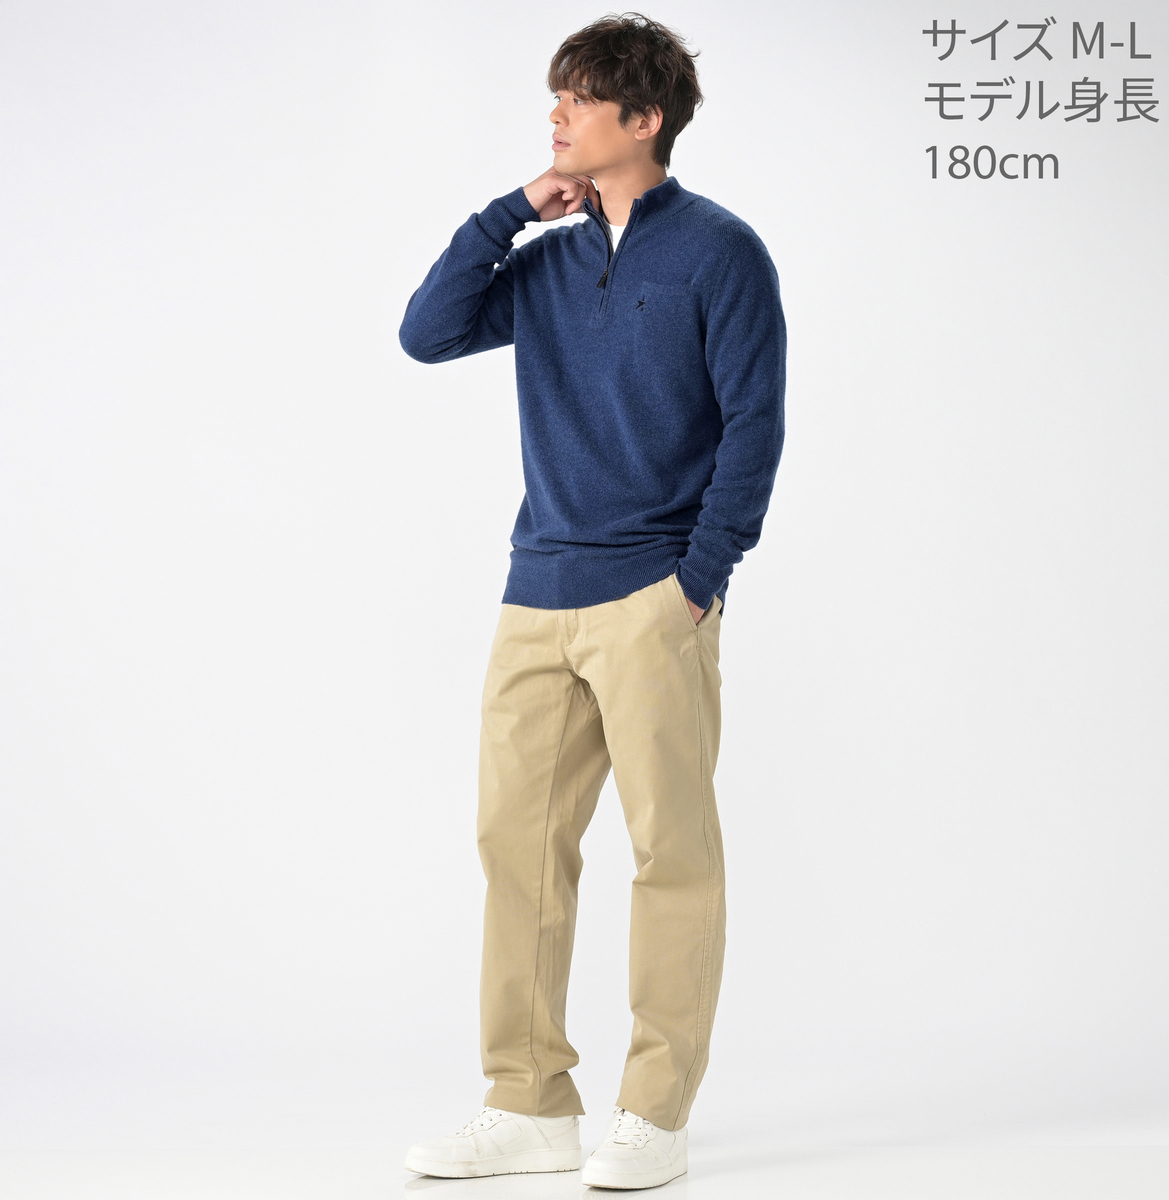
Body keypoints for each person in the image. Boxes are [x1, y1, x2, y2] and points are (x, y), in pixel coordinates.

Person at [397, 12, 786, 1190]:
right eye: (554, 98)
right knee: (517, 852)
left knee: (672, 855)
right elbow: (426, 333)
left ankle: (654, 1114)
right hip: (536, 592)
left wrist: (698, 581)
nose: (555, 117)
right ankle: (528, 1104)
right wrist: (511, 211)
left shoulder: (721, 253)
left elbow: (755, 429)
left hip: (654, 598)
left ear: (643, 117)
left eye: (575, 99)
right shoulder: (547, 262)